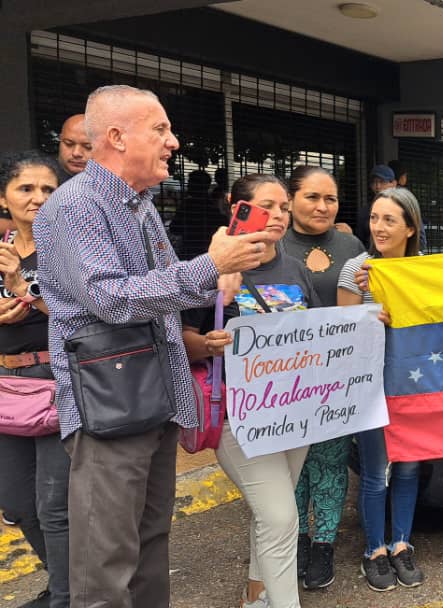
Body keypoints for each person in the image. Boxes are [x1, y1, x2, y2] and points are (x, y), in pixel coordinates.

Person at [32, 84, 268, 608]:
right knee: (106, 570)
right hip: (110, 408)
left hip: (153, 400)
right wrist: (210, 266)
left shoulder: (139, 205)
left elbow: (160, 288)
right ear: (116, 137)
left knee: (150, 546)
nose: (174, 142)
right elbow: (109, 298)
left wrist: (220, 276)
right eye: (160, 129)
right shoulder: (76, 207)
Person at [182, 174, 319, 608]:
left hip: (293, 413)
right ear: (235, 207)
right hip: (236, 418)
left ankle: (256, 593)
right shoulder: (210, 266)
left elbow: (317, 331)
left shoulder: (295, 267)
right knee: (281, 517)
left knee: (272, 513)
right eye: (265, 206)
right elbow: (181, 335)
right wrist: (208, 344)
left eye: (282, 206)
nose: (277, 216)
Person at [336, 187, 426, 593]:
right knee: (376, 472)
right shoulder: (356, 269)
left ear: (410, 227)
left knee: (408, 467)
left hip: (414, 385)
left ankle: (401, 543)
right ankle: (374, 550)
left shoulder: (426, 269)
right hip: (372, 386)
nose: (379, 227)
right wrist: (369, 317)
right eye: (374, 218)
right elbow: (342, 333)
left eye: (389, 220)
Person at [280, 165, 363, 590]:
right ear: (291, 199)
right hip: (282, 378)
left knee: (329, 462)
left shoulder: (352, 245)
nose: (322, 206)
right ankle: (294, 540)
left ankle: (324, 545)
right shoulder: (271, 244)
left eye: (330, 198)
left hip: (337, 375)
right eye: (312, 197)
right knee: (291, 463)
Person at [0, 151, 68, 608]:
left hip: (57, 379)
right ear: (4, 196)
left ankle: (66, 596)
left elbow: (82, 313)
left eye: (48, 189)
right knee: (17, 501)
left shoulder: (68, 247)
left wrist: (23, 288)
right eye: (27, 188)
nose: (38, 198)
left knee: (55, 507)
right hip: (7, 384)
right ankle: (66, 584)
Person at [55, 114, 91, 183]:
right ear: (60, 140)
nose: (76, 153)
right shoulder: (42, 177)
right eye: (69, 144)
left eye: (88, 147)